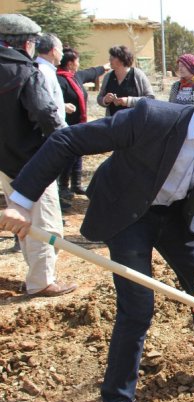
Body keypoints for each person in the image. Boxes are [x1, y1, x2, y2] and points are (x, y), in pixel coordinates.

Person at [0, 82, 194, 402]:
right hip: (127, 213)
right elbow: (67, 141)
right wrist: (22, 202)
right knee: (138, 305)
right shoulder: (151, 118)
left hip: (176, 216)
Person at [0, 14, 76, 297]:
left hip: (6, 160)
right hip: (33, 160)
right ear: (27, 43)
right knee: (45, 222)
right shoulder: (25, 71)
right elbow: (46, 114)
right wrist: (62, 142)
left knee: (22, 220)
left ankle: (36, 274)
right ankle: (41, 281)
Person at [56, 47, 107, 198]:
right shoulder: (58, 79)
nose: (79, 64)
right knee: (68, 155)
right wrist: (63, 106)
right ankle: (63, 185)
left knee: (78, 152)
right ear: (71, 63)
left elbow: (92, 72)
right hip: (66, 124)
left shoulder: (75, 77)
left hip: (79, 123)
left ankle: (76, 184)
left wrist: (106, 67)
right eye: (77, 61)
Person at [35, 33, 70, 210]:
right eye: (61, 49)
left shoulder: (47, 71)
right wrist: (64, 134)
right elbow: (45, 107)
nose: (63, 54)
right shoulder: (43, 72)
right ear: (54, 50)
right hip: (49, 137)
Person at [97, 45, 154, 116]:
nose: (110, 59)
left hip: (135, 123)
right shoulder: (108, 76)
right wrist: (105, 100)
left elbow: (150, 99)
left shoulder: (138, 75)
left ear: (122, 59)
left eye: (113, 57)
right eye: (110, 56)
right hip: (113, 123)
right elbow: (100, 98)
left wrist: (129, 101)